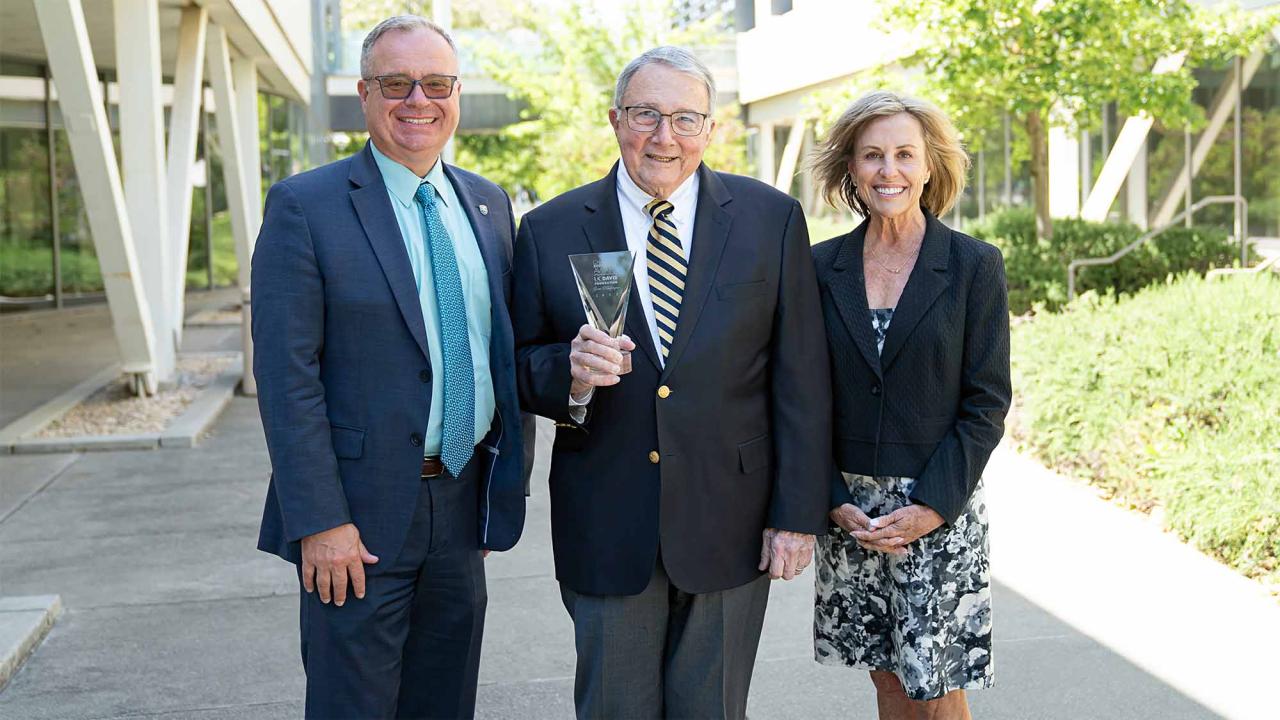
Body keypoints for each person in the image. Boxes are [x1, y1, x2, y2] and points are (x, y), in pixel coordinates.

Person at [511, 46, 832, 719]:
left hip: (733, 523)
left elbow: (802, 380)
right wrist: (567, 373)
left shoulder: (770, 219)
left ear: (710, 129)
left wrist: (796, 516)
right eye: (646, 115)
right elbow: (516, 366)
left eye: (686, 119)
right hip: (606, 523)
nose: (665, 137)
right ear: (614, 119)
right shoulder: (550, 229)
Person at [251, 15, 525, 719]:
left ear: (456, 93)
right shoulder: (304, 207)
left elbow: (501, 352)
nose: (417, 101)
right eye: (396, 84)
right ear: (365, 95)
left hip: (462, 503)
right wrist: (320, 521)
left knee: (445, 702)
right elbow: (288, 381)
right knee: (355, 706)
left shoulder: (489, 204)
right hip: (357, 521)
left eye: (435, 83)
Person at [808, 90, 1011, 719]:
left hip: (937, 505)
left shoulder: (975, 265)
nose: (887, 170)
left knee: (937, 687)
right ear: (851, 170)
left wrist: (931, 506)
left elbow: (987, 401)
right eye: (871, 156)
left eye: (903, 154)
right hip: (852, 513)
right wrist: (829, 497)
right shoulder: (818, 267)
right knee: (887, 683)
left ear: (930, 166)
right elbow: (801, 396)